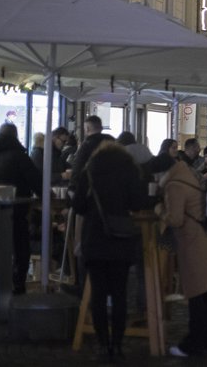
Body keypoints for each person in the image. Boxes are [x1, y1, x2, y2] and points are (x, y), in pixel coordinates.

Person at [71, 142, 148, 362]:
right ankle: (118, 344)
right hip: (120, 239)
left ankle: (103, 345)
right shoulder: (130, 169)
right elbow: (138, 202)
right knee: (120, 294)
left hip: (94, 239)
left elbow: (77, 205)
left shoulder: (91, 169)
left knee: (98, 295)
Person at [155, 155, 207, 357]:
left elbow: (176, 219)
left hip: (193, 243)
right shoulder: (192, 174)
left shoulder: (174, 185)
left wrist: (160, 209)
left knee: (196, 293)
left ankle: (193, 343)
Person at [0, 123, 42, 295]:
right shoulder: (18, 156)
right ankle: (17, 286)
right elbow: (37, 182)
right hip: (14, 212)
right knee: (21, 248)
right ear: (15, 137)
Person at [70, 115, 115, 186]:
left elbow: (78, 167)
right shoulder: (113, 143)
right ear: (101, 128)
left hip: (92, 185)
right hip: (113, 184)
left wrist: (72, 186)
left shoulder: (86, 145)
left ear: (87, 129)